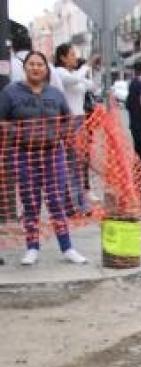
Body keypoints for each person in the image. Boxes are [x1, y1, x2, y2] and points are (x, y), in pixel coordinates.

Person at [0, 51, 87, 265]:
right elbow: (1, 121)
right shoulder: (10, 93)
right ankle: (32, 248)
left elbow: (68, 119)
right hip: (23, 155)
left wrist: (65, 134)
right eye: (31, 64)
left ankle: (67, 248)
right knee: (30, 203)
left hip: (52, 154)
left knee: (57, 200)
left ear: (46, 69)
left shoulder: (55, 94)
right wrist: (17, 133)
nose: (36, 68)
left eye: (40, 64)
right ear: (25, 68)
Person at [54, 43, 96, 215]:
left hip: (80, 121)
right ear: (63, 57)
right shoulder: (60, 73)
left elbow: (91, 86)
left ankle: (79, 203)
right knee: (70, 164)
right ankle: (70, 204)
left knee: (78, 164)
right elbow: (75, 80)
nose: (75, 57)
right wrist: (87, 66)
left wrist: (89, 70)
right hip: (69, 121)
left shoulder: (75, 74)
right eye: (72, 54)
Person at [9, 22, 65, 93]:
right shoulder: (47, 65)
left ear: (13, 48)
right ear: (31, 47)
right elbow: (60, 91)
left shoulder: (9, 65)